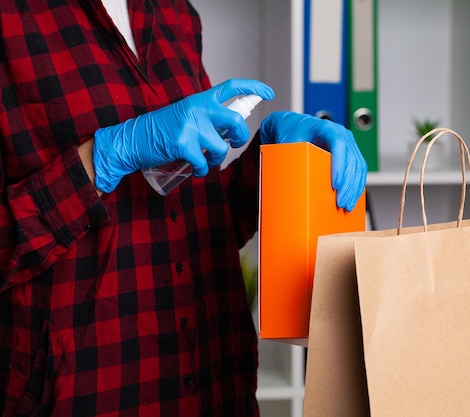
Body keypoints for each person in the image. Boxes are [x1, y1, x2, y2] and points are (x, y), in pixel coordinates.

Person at [0, 1, 367, 416]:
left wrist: (271, 160)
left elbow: (196, 221)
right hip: (90, 389)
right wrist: (103, 157)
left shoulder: (176, 15)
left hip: (216, 381)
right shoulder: (12, 19)